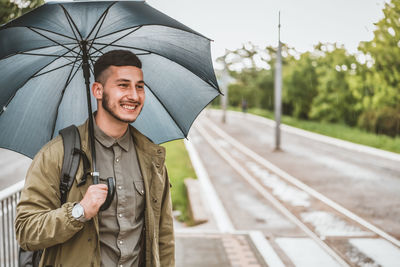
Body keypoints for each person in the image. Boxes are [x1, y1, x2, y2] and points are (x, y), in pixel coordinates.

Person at [15, 50, 175, 267]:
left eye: (139, 86)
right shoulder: (56, 154)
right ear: (98, 90)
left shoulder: (151, 158)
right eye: (123, 85)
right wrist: (79, 212)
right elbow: (26, 230)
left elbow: (163, 237)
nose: (134, 96)